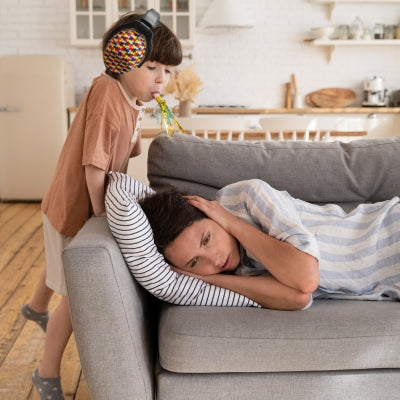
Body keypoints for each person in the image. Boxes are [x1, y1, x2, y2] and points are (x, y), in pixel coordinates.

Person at [21, 9, 182, 400]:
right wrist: (102, 217)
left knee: (62, 261)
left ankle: (35, 307)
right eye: (152, 67)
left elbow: (122, 150)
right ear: (123, 62)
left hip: (68, 202)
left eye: (168, 70)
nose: (162, 78)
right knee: (76, 296)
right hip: (74, 203)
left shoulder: (127, 94)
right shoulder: (109, 94)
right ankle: (46, 374)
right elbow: (94, 166)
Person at [139, 179, 400, 310]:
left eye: (207, 239)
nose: (215, 260)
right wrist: (210, 280)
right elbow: (297, 297)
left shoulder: (248, 195)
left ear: (211, 213)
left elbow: (306, 278)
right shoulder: (231, 271)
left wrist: (232, 223)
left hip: (390, 232)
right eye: (194, 263)